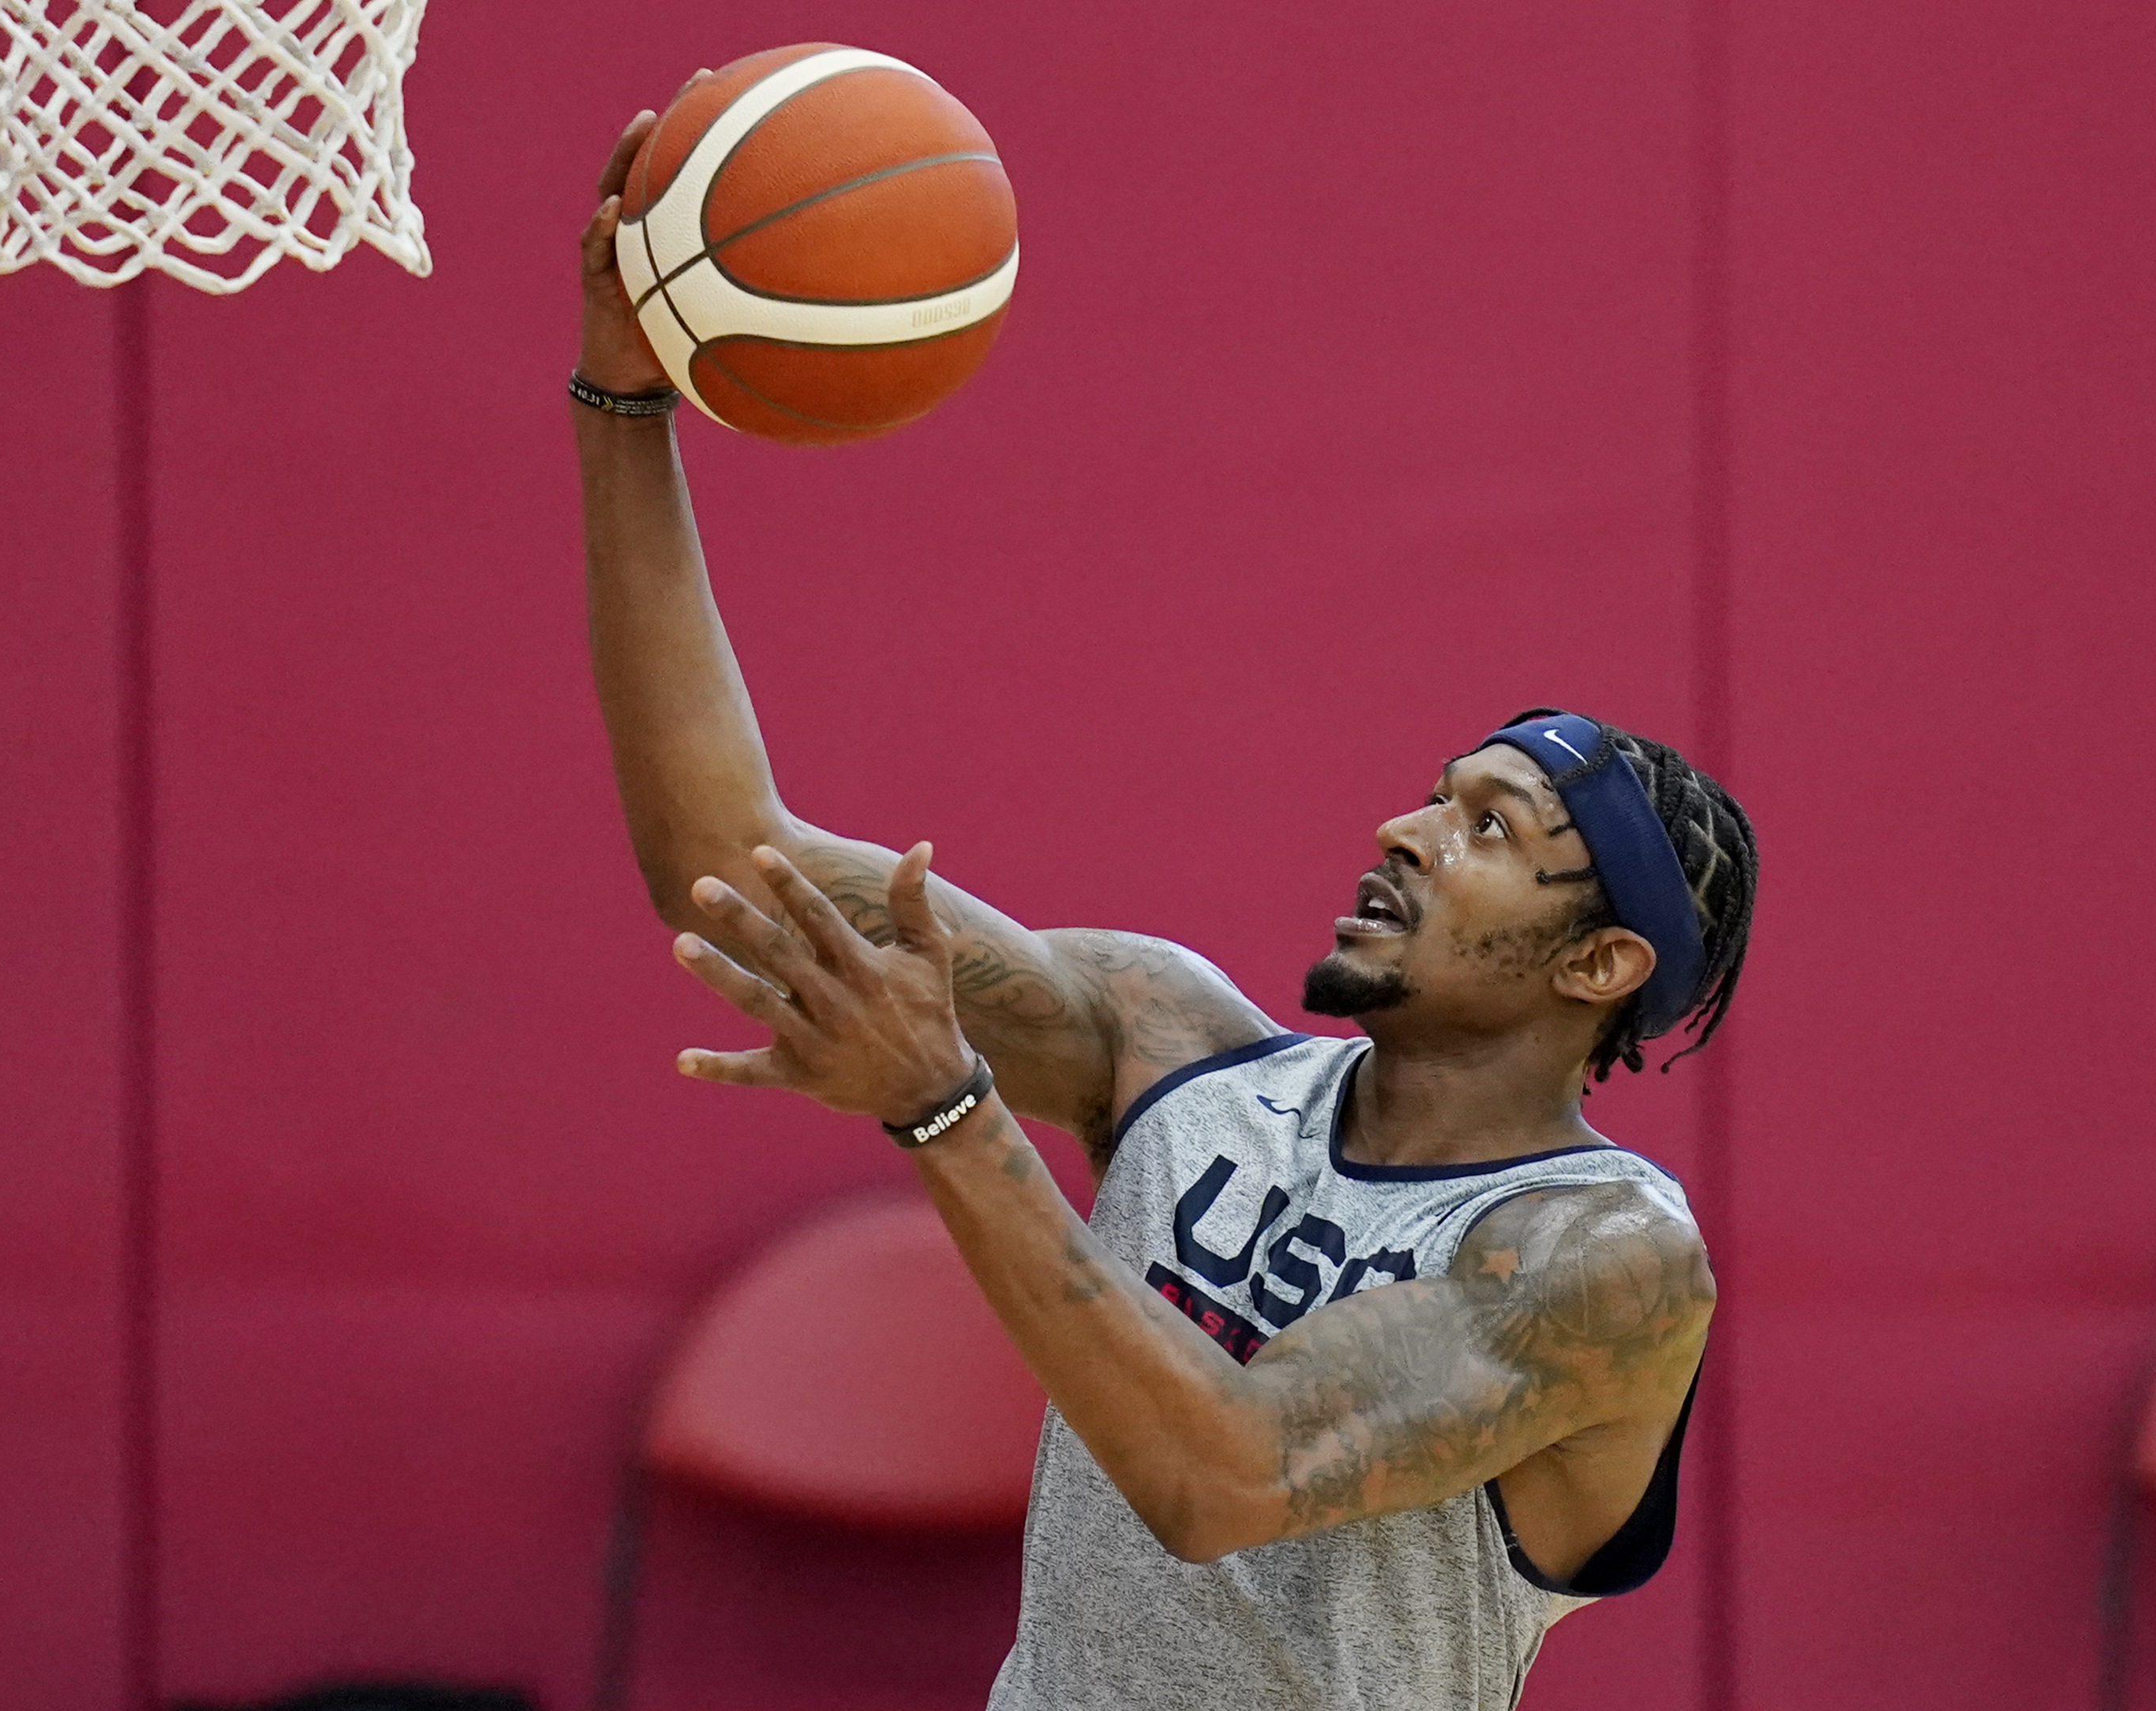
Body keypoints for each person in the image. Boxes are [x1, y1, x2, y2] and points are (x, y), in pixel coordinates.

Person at [573, 96, 1758, 1711]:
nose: (1407, 827)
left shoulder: (1603, 1260)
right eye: (1435, 788)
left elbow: (1228, 1478)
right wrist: (622, 402)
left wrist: (946, 1109)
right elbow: (722, 854)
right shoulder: (1169, 1041)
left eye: (1486, 826)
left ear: (1601, 958)